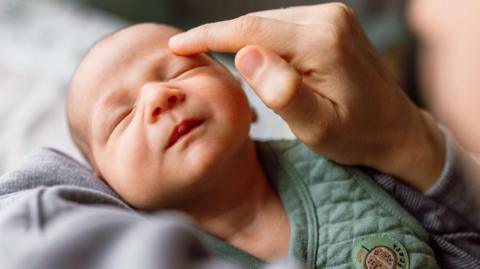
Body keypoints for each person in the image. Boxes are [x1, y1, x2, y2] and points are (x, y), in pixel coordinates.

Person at [1, 2, 479, 269]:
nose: (158, 97)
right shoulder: (139, 248)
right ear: (104, 183)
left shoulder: (352, 164)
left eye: (180, 72)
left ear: (244, 95)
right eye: (122, 117)